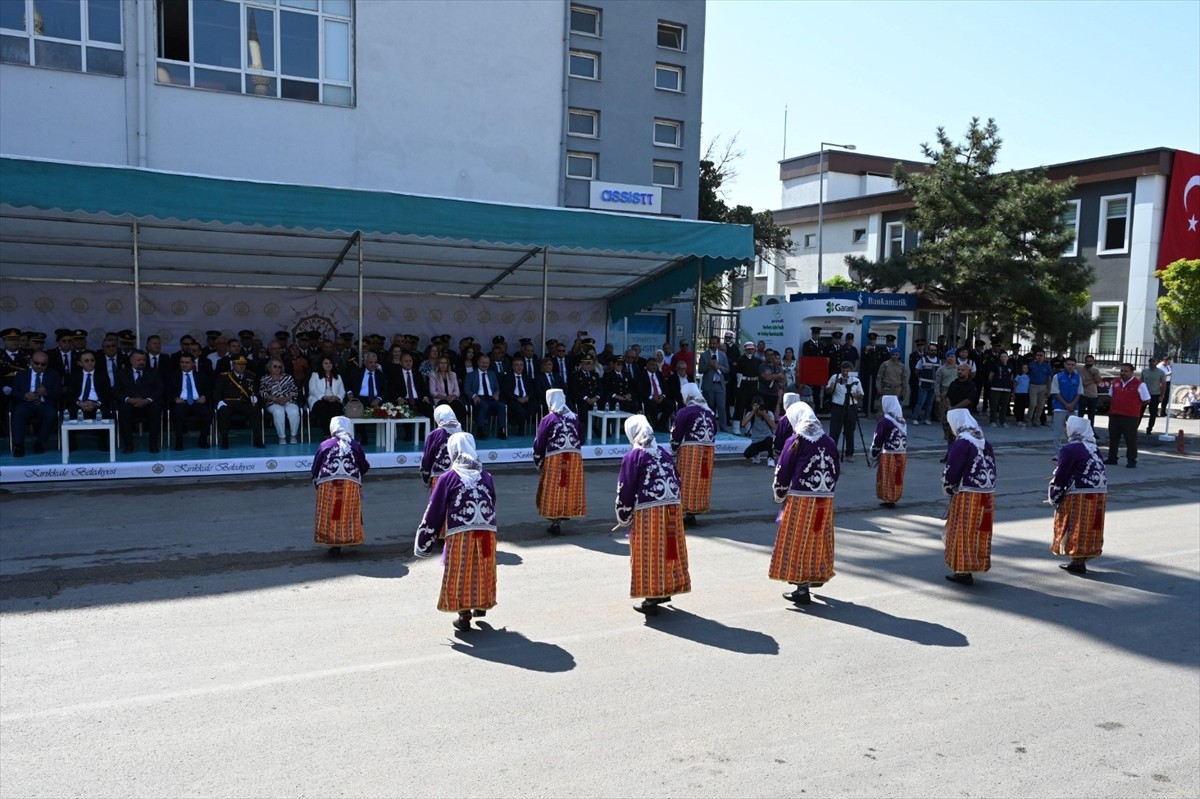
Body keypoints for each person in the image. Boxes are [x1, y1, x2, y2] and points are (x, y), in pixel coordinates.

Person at [414, 432, 498, 631]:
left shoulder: (448, 478)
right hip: (487, 530)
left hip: (462, 532)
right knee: (482, 566)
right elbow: (492, 501)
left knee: (461, 570)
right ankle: (480, 603)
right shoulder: (486, 476)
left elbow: (435, 510)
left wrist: (425, 541)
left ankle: (464, 615)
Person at [615, 414, 691, 616]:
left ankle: (651, 598)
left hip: (650, 510)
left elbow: (626, 488)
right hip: (672, 508)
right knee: (667, 549)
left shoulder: (634, 457)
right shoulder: (663, 453)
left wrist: (624, 514)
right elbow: (678, 479)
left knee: (649, 553)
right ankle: (665, 589)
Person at [770, 401, 840, 606]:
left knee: (797, 541)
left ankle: (802, 588)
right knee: (817, 539)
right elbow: (836, 470)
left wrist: (780, 493)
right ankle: (813, 576)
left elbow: (783, 470)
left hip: (801, 499)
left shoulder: (796, 440)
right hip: (824, 500)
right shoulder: (829, 441)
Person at [941, 408, 997, 586]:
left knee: (963, 531)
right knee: (980, 530)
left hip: (968, 494)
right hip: (987, 494)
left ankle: (963, 572)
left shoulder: (962, 443)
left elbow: (952, 470)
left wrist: (948, 487)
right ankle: (977, 563)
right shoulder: (983, 441)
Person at [1048, 415, 1108, 574]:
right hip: (1099, 492)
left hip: (1081, 492)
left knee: (1076, 524)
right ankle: (1080, 559)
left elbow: (1063, 473)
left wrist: (1056, 491)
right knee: (1089, 525)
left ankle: (1077, 559)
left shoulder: (1070, 448)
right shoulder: (1093, 447)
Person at [310, 416, 370, 556]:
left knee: (331, 514)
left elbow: (315, 468)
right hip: (350, 484)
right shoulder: (355, 445)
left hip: (327, 484)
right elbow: (364, 466)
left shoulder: (325, 444)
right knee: (347, 512)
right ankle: (348, 537)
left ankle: (332, 542)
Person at [532, 388, 586, 536]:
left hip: (555, 458)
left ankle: (555, 520)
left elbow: (540, 442)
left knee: (554, 488)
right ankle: (565, 513)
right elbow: (582, 438)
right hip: (574, 458)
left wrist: (538, 459)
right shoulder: (574, 417)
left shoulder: (548, 419)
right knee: (569, 486)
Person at [670, 384, 717, 525]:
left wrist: (674, 447)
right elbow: (715, 431)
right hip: (708, 451)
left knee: (686, 479)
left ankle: (685, 511)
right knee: (701, 479)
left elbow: (676, 432)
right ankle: (693, 512)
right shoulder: (709, 412)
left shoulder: (685, 412)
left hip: (691, 450)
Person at [8, 352, 60, 457]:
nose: (40, 366)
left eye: (43, 364)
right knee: (18, 412)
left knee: (51, 414)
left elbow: (58, 393)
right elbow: (14, 392)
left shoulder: (54, 375)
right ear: (31, 362)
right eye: (37, 363)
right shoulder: (21, 375)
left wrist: (46, 392)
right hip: (26, 404)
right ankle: (19, 445)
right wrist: (24, 395)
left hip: (44, 404)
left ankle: (40, 443)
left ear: (47, 364)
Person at [115, 350, 164, 454]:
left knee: (156, 409)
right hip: (130, 403)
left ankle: (153, 444)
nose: (142, 362)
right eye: (139, 360)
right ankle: (128, 445)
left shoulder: (153, 372)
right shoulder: (122, 373)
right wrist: (128, 399)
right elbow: (116, 391)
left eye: (144, 360)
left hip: (148, 403)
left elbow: (160, 389)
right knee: (123, 410)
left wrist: (148, 400)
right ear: (131, 361)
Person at [1105, 363, 1150, 468]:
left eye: (1126, 371)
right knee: (1113, 438)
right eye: (1122, 371)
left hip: (1130, 416)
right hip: (1115, 414)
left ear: (1132, 372)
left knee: (1130, 439)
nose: (1123, 373)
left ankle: (1131, 460)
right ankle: (1112, 458)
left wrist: (1134, 406)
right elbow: (1111, 396)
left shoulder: (1139, 384)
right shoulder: (1115, 382)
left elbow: (1146, 399)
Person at [214, 356, 265, 449]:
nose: (241, 367)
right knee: (222, 412)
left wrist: (255, 397)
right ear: (233, 364)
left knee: (255, 410)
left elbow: (255, 391)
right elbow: (217, 392)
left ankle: (258, 439)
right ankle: (224, 440)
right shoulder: (224, 376)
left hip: (244, 403)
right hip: (228, 403)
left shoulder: (250, 376)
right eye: (238, 364)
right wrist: (219, 402)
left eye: (243, 364)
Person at [168, 353, 213, 450]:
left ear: (193, 364)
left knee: (207, 412)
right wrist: (175, 399)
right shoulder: (173, 375)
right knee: (178, 412)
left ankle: (203, 439)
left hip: (197, 402)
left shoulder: (201, 375)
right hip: (181, 402)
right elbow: (168, 391)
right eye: (182, 362)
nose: (184, 364)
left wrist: (204, 396)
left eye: (187, 362)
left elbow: (209, 388)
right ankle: (179, 441)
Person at [870, 395, 908, 508]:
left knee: (887, 476)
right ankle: (894, 497)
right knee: (897, 475)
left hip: (889, 453)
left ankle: (888, 499)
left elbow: (878, 438)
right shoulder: (902, 420)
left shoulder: (885, 421)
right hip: (901, 453)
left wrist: (874, 453)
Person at [825, 361, 864, 462]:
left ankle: (849, 453)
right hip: (837, 406)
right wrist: (833, 384)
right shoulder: (835, 377)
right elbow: (828, 390)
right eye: (843, 370)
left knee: (849, 431)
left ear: (851, 371)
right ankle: (831, 453)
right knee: (834, 431)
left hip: (851, 406)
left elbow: (861, 395)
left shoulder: (855, 380)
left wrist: (854, 395)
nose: (845, 373)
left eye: (848, 371)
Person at [940, 362, 978, 461]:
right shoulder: (954, 383)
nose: (960, 372)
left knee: (963, 436)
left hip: (963, 414)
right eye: (959, 370)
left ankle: (962, 456)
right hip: (951, 413)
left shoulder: (971, 385)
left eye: (962, 370)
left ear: (968, 372)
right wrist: (949, 406)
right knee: (950, 436)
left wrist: (955, 407)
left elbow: (969, 400)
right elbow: (948, 396)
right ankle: (949, 455)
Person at [259, 357, 301, 444]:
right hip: (272, 402)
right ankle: (282, 437)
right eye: (275, 366)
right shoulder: (265, 379)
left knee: (294, 412)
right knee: (279, 412)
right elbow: (263, 393)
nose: (278, 368)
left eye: (279, 367)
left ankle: (293, 435)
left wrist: (286, 398)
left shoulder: (288, 377)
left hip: (288, 401)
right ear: (269, 367)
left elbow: (295, 391)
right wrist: (275, 399)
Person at [420, 404, 461, 490]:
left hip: (440, 477)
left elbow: (427, 457)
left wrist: (426, 476)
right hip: (459, 477)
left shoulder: (435, 434)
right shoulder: (463, 433)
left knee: (439, 502)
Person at [307, 356, 346, 437]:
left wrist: (337, 397)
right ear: (321, 365)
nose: (328, 365)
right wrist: (323, 397)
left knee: (336, 408)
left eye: (330, 363)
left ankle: (335, 433)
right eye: (326, 363)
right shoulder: (315, 375)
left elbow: (342, 391)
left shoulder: (337, 376)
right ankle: (327, 434)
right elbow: (312, 389)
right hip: (319, 399)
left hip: (333, 399)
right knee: (323, 409)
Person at [698, 335, 730, 432]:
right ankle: (710, 428)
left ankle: (723, 429)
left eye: (714, 343)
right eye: (711, 343)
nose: (712, 345)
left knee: (721, 407)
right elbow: (700, 370)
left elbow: (727, 369)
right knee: (709, 408)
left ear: (718, 344)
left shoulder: (723, 355)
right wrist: (709, 365)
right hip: (709, 385)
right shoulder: (704, 355)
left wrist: (718, 367)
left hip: (720, 385)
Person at [741, 394, 777, 465]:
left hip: (767, 439)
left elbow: (773, 426)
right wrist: (753, 411)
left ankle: (770, 458)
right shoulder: (750, 414)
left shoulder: (769, 413)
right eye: (755, 406)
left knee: (769, 439)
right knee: (747, 454)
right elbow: (743, 424)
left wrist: (764, 414)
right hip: (756, 441)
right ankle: (756, 453)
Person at [986, 351, 1015, 428]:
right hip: (996, 388)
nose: (1003, 358)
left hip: (1006, 389)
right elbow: (990, 376)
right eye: (1002, 356)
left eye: (1005, 356)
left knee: (1004, 406)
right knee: (994, 405)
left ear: (1007, 357)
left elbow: (1011, 377)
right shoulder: (996, 365)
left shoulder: (1010, 366)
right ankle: (993, 421)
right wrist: (995, 383)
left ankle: (1003, 421)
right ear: (999, 358)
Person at [1026, 350, 1052, 426]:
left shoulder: (1047, 366)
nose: (1039, 357)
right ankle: (1028, 420)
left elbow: (1049, 378)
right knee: (1033, 404)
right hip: (1033, 386)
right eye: (1038, 355)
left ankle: (1036, 420)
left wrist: (1049, 389)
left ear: (1044, 357)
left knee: (1041, 405)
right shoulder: (1031, 365)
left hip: (1043, 387)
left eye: (1041, 355)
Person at [1140, 358, 1165, 435]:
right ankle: (1135, 427)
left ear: (1156, 363)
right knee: (1139, 412)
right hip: (1144, 395)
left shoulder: (1161, 372)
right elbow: (1141, 382)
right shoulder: (1145, 371)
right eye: (1150, 362)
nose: (1152, 364)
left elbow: (1163, 384)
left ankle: (1149, 428)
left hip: (1154, 395)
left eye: (1153, 362)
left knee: (1153, 413)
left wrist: (1161, 395)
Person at [1012, 362, 1031, 429]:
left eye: (1026, 368)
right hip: (1018, 393)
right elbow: (1015, 384)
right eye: (1024, 368)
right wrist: (1014, 393)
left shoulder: (1029, 376)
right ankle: (1018, 420)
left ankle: (1021, 419)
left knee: (1023, 407)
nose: (1025, 369)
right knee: (1018, 406)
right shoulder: (1018, 376)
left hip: (1025, 393)